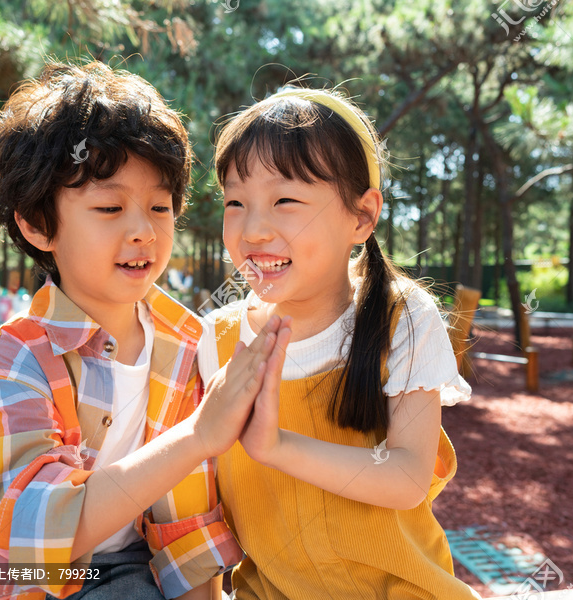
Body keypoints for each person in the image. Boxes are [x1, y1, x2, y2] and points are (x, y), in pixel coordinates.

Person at [0, 61, 291, 600]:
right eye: (110, 206)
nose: (143, 230)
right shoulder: (24, 351)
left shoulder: (186, 341)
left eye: (160, 206)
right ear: (37, 225)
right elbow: (37, 535)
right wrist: (198, 437)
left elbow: (185, 514)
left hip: (130, 565)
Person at [198, 86, 480, 599]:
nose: (254, 229)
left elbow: (406, 477)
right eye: (235, 202)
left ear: (362, 216)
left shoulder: (403, 317)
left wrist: (277, 447)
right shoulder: (217, 340)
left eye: (285, 200)